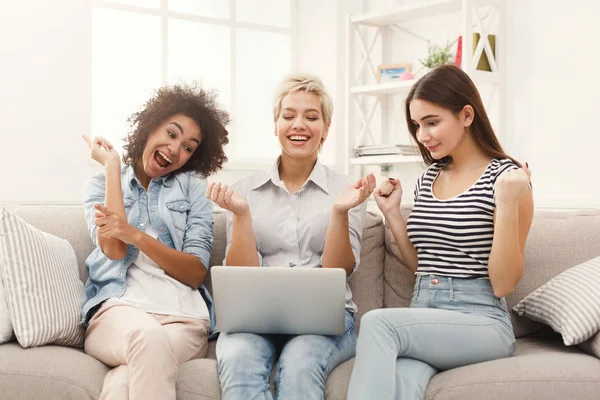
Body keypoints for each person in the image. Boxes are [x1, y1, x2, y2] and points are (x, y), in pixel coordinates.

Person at [347, 64, 534, 400]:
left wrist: (506, 204)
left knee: (378, 323)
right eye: (417, 125)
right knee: (402, 381)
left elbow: (504, 283)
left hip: (482, 321)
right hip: (426, 312)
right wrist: (392, 215)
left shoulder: (508, 180)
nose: (422, 136)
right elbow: (423, 266)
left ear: (466, 114)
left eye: (432, 122)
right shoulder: (429, 177)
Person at [206, 74, 376, 400]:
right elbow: (241, 274)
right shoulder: (243, 192)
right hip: (255, 320)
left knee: (300, 364)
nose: (299, 124)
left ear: (326, 127)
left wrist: (339, 212)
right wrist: (241, 215)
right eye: (289, 116)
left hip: (324, 323)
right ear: (275, 124)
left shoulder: (348, 191)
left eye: (311, 117)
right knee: (238, 361)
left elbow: (341, 270)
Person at [81, 83, 229, 400]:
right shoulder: (100, 183)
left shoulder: (193, 189)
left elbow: (194, 272)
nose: (176, 149)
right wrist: (111, 168)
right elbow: (114, 248)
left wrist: (134, 234)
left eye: (189, 147)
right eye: (172, 134)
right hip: (116, 314)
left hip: (183, 320)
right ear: (150, 127)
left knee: (123, 382)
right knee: (146, 339)